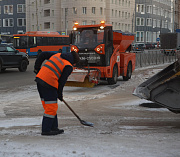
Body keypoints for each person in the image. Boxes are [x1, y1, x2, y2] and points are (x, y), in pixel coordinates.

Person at [34, 51, 80, 136]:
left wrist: (37, 68)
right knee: (51, 108)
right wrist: (59, 94)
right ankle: (46, 130)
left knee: (50, 106)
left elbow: (43, 54)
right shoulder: (68, 66)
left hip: (40, 80)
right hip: (49, 84)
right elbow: (62, 82)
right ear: (74, 62)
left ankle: (53, 127)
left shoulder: (58, 55)